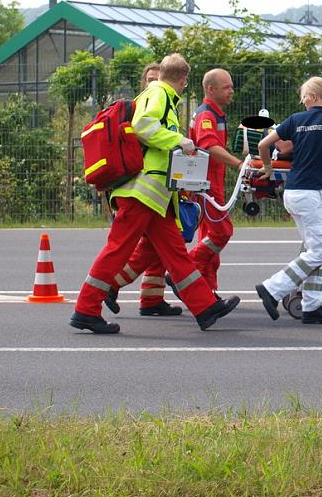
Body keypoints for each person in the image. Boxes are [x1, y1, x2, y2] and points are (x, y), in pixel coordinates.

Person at [70, 53, 240, 334]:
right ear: (183, 80)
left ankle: (205, 307)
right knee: (117, 250)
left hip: (156, 195)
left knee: (176, 255)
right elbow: (144, 127)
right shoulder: (159, 93)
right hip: (142, 193)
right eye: (186, 82)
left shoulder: (160, 96)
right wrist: (179, 140)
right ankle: (86, 310)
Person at [254, 76, 322, 324]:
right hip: (311, 194)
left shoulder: (295, 120)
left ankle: (311, 307)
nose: (302, 101)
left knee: (315, 251)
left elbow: (264, 144)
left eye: (303, 97)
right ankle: (272, 288)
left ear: (312, 97)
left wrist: (267, 168)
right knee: (321, 251)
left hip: (294, 191)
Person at [104, 62, 183, 317]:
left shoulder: (168, 107)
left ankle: (151, 299)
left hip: (160, 190)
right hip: (142, 190)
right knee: (142, 249)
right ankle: (110, 286)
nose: (153, 84)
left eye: (155, 78)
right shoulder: (153, 100)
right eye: (149, 79)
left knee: (154, 251)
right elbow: (146, 136)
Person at [188, 68, 245, 295]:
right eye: (226, 87)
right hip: (207, 186)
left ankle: (206, 291)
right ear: (210, 90)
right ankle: (185, 269)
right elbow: (209, 147)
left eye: (231, 86)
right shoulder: (206, 116)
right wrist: (239, 164)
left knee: (208, 241)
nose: (232, 91)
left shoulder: (215, 114)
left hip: (210, 185)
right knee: (221, 233)